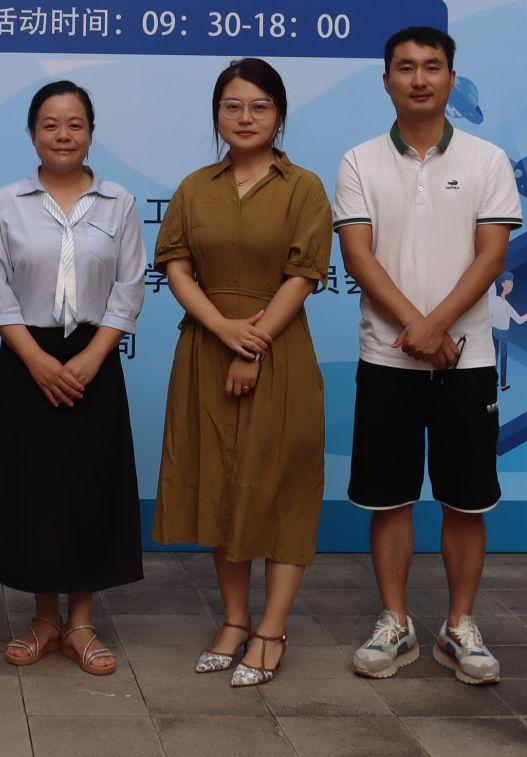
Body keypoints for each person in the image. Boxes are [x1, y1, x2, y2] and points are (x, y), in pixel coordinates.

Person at [336, 25, 520, 686]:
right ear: (386, 80)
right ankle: (396, 622)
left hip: (466, 361)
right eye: (406, 67)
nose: (420, 78)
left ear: (451, 79)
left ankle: (458, 626)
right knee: (390, 499)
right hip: (387, 358)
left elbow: (491, 255)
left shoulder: (487, 159)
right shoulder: (359, 161)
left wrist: (436, 325)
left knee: (465, 501)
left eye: (433, 66)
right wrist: (417, 328)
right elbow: (358, 256)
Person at [151, 58, 332, 689]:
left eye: (259, 106)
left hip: (278, 349)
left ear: (279, 116)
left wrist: (250, 346)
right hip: (206, 349)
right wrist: (221, 329)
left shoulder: (304, 186)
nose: (245, 117)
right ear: (216, 115)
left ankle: (271, 630)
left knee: (280, 489)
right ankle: (233, 621)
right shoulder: (194, 187)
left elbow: (303, 275)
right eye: (232, 106)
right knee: (220, 484)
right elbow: (176, 265)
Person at [0, 81, 146, 677]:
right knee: (34, 490)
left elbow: (129, 287)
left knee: (90, 487)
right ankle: (45, 618)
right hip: (28, 359)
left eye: (75, 124)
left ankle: (82, 624)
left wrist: (94, 356)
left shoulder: (118, 202)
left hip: (96, 356)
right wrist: (37, 360)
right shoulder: (7, 202)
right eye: (50, 124)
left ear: (91, 132)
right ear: (32, 133)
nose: (63, 135)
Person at [490, 273, 527, 392]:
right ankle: (502, 385)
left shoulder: (493, 300)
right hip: (502, 333)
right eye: (510, 282)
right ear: (503, 284)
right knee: (503, 359)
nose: (512, 285)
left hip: (493, 330)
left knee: (494, 358)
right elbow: (520, 320)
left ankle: (493, 382)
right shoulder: (506, 305)